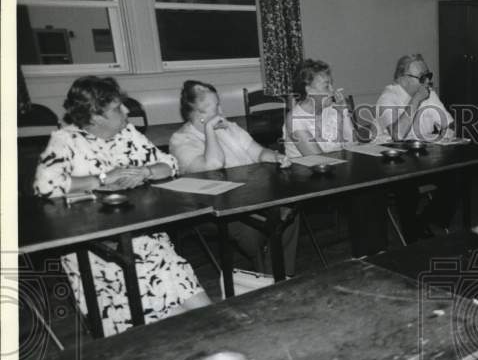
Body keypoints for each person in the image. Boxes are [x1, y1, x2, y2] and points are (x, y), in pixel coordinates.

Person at [33, 75, 211, 336]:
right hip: (99, 252)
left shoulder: (128, 133)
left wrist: (147, 171)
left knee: (207, 313)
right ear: (95, 117)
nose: (127, 110)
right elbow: (45, 186)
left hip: (147, 240)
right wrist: (103, 178)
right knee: (175, 330)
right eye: (117, 108)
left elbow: (170, 164)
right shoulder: (66, 141)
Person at [170, 79, 300, 277]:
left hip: (252, 195)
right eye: (216, 107)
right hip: (218, 208)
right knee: (256, 230)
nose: (222, 111)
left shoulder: (230, 128)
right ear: (198, 114)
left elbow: (257, 151)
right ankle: (269, 277)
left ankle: (279, 276)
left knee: (289, 210)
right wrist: (209, 130)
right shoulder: (181, 140)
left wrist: (275, 156)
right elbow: (213, 165)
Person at [374, 54, 457, 239]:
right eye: (422, 77)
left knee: (456, 174)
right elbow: (397, 135)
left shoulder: (429, 94)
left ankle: (425, 222)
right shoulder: (388, 97)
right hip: (392, 162)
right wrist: (416, 100)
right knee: (407, 186)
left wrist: (446, 133)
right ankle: (412, 236)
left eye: (429, 75)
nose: (427, 81)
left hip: (423, 158)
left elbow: (448, 123)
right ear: (403, 79)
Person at [284, 58, 364, 157]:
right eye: (326, 86)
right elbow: (318, 159)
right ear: (309, 90)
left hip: (337, 165)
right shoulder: (295, 119)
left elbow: (354, 147)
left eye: (331, 85)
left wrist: (344, 112)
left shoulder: (333, 110)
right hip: (307, 167)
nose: (332, 90)